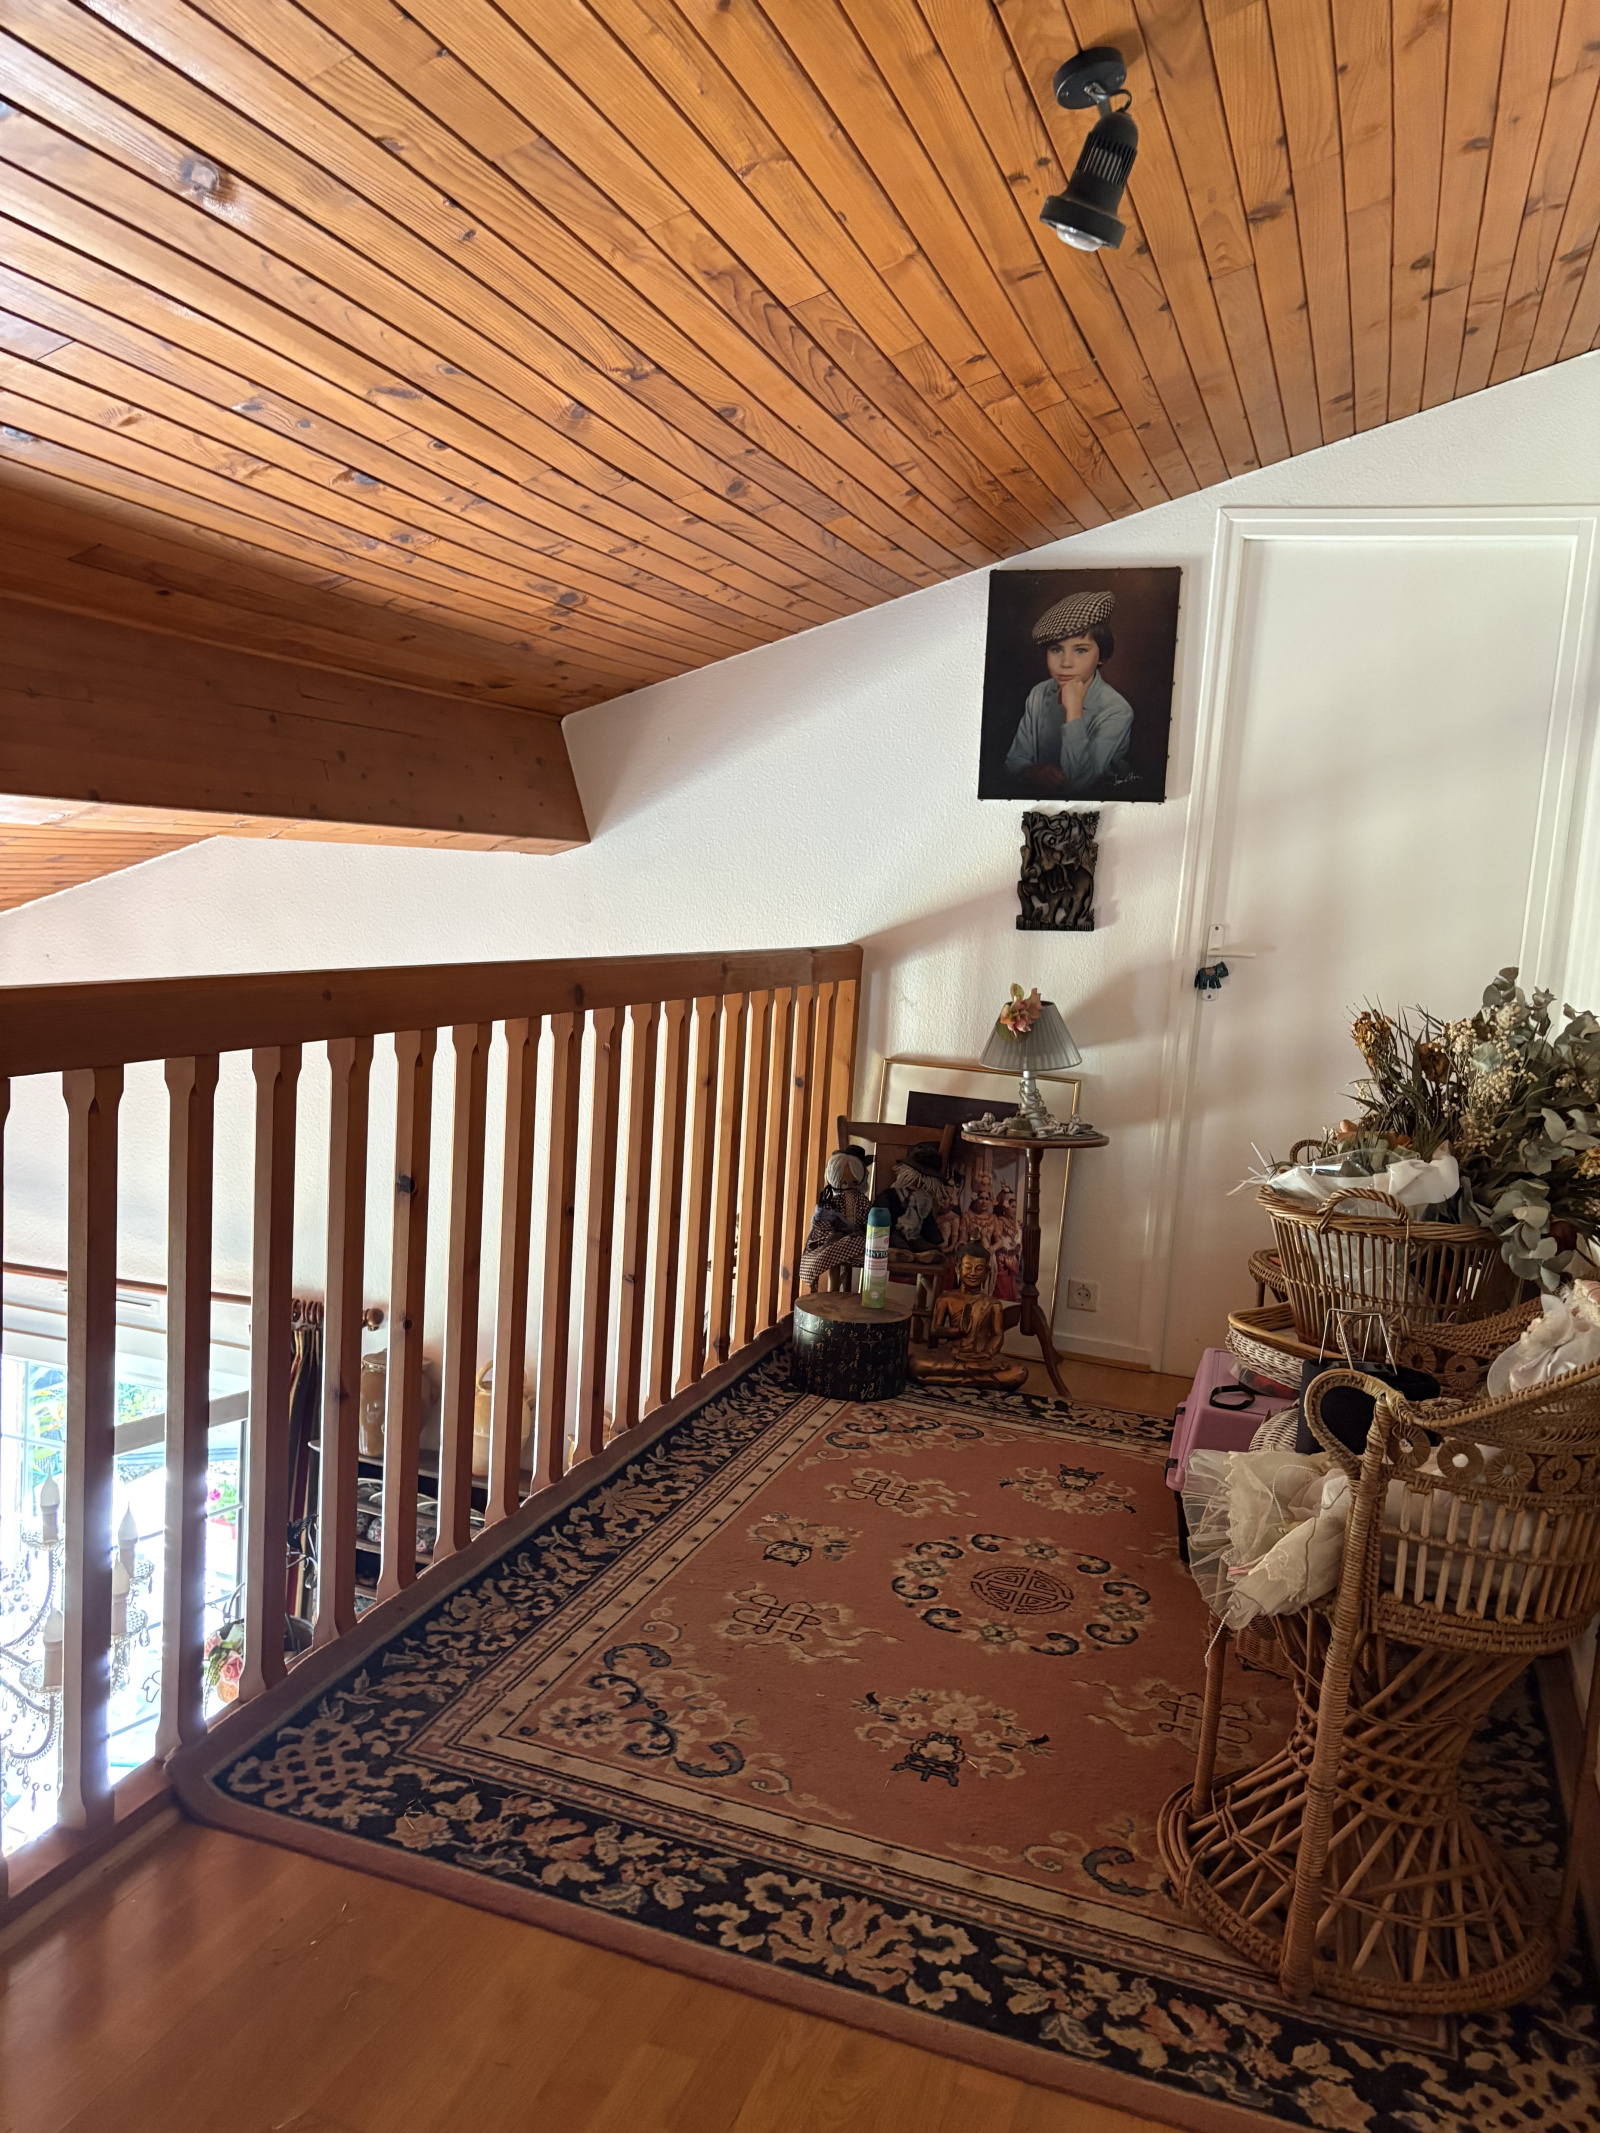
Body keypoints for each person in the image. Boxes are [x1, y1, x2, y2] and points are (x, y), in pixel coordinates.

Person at [1004, 589, 1133, 797]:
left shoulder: (1117, 710)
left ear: (1101, 656)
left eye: (1080, 650)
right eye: (1056, 649)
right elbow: (1014, 761)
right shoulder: (1039, 693)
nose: (1065, 663)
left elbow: (1077, 784)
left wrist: (1074, 711)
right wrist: (1033, 771)